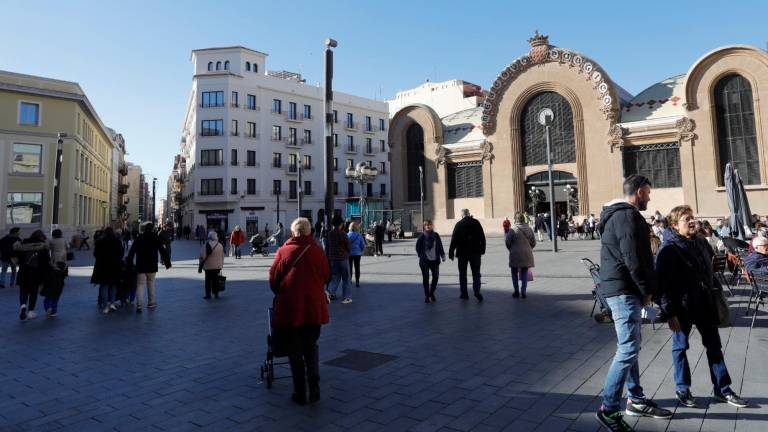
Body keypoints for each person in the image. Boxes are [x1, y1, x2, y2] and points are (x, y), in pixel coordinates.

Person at [595, 175, 670, 431]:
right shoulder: (626, 216)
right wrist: (647, 290)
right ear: (639, 192)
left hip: (623, 288)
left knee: (631, 345)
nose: (649, 197)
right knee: (628, 348)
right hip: (625, 290)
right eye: (648, 193)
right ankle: (609, 409)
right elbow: (633, 258)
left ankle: (635, 399)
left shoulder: (617, 215)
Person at [656, 205, 749, 409]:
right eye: (685, 219)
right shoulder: (668, 249)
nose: (691, 221)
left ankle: (723, 389)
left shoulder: (699, 241)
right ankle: (683, 388)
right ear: (674, 224)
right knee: (680, 348)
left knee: (714, 346)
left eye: (692, 218)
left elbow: (710, 267)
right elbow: (660, 284)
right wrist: (669, 312)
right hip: (682, 307)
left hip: (704, 303)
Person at [269, 217, 330, 405]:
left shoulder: (283, 251)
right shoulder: (318, 252)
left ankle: (300, 392)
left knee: (295, 353)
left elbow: (273, 280)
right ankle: (315, 388)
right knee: (311, 348)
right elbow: (326, 275)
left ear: (294, 232)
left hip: (291, 309)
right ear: (309, 231)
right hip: (313, 309)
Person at [126, 222, 171, 313]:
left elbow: (131, 252)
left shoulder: (139, 238)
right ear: (153, 229)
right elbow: (162, 250)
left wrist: (129, 263)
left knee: (140, 285)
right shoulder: (155, 237)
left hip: (140, 265)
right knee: (151, 283)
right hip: (152, 265)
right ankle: (151, 302)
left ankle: (139, 305)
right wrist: (167, 262)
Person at [448, 209, 486, 301]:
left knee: (462, 273)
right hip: (475, 252)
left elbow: (454, 239)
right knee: (476, 273)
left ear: (462, 215)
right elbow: (482, 237)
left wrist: (451, 252)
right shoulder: (476, 222)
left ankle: (464, 293)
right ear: (469, 214)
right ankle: (477, 291)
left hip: (462, 253)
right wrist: (482, 249)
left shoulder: (459, 224)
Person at [14, 230, 50, 321]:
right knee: (33, 292)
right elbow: (46, 261)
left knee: (23, 290)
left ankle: (23, 306)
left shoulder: (23, 243)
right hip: (36, 272)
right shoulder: (42, 245)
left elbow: (17, 256)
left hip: (23, 270)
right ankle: (31, 311)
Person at [91, 227, 124, 314]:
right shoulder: (117, 241)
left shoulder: (100, 242)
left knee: (104, 286)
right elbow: (121, 253)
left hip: (102, 266)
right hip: (114, 266)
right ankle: (112, 303)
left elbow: (95, 254)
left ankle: (105, 305)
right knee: (113, 285)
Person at [505, 212, 536, 299]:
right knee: (525, 271)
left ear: (515, 219)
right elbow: (533, 242)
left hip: (515, 253)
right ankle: (524, 291)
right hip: (527, 253)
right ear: (523, 219)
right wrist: (528, 248)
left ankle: (516, 291)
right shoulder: (529, 229)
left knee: (514, 272)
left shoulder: (512, 229)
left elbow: (507, 242)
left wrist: (511, 248)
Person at [415, 219, 445, 303]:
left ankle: (431, 293)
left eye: (429, 224)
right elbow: (417, 247)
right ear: (424, 226)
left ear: (432, 225)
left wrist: (442, 255)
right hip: (425, 261)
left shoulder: (436, 235)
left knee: (435, 277)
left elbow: (440, 246)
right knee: (426, 278)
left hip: (435, 260)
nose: (428, 226)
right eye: (426, 225)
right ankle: (427, 296)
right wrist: (420, 255)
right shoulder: (422, 236)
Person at [44, 229, 69, 317]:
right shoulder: (64, 240)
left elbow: (47, 248)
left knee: (55, 269)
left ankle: (48, 308)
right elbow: (68, 246)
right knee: (62, 270)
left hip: (55, 256)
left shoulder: (51, 240)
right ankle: (60, 279)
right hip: (63, 256)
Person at [327, 215, 352, 304]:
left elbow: (328, 246)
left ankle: (330, 292)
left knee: (335, 277)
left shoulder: (330, 234)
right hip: (343, 258)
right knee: (346, 278)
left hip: (333, 259)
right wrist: (347, 253)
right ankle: (346, 297)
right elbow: (348, 246)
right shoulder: (343, 234)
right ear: (341, 224)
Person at [199, 231, 224, 299]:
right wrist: (221, 265)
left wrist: (200, 264)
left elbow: (202, 256)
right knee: (215, 280)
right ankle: (216, 294)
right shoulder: (220, 245)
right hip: (217, 266)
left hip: (208, 266)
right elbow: (222, 256)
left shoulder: (206, 244)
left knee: (208, 281)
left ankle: (208, 294)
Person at [347, 222, 365, 287]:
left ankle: (350, 280)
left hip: (349, 254)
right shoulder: (359, 235)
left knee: (350, 267)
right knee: (357, 267)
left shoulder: (347, 235)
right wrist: (362, 251)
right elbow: (363, 245)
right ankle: (357, 282)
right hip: (357, 254)